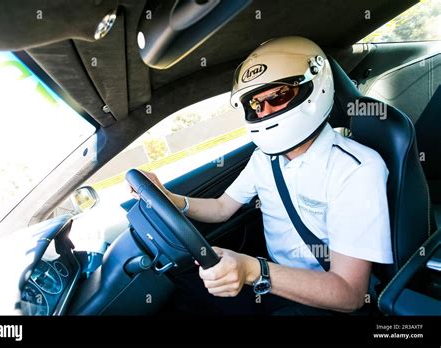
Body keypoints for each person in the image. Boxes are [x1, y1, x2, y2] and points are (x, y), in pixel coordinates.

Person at [130, 36, 393, 315]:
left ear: (314, 88)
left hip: (323, 295)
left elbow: (349, 293)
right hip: (274, 276)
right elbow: (221, 208)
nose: (264, 111)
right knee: (183, 290)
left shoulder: (356, 168)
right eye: (255, 104)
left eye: (277, 96)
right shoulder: (263, 159)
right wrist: (171, 199)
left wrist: (253, 269)